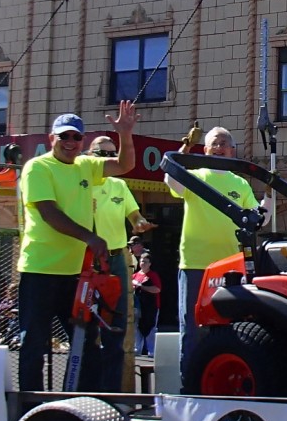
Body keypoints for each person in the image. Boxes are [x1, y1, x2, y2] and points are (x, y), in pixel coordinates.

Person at [17, 101, 138, 392]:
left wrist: (125, 133)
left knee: (85, 342)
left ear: (82, 141)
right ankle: (30, 406)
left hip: (76, 275)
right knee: (34, 342)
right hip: (40, 271)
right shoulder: (37, 167)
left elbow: (125, 165)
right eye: (64, 136)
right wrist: (90, 237)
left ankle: (80, 402)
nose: (70, 142)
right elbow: (49, 213)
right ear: (52, 138)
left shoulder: (86, 165)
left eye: (76, 137)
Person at [166, 125, 270, 383]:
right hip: (196, 263)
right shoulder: (195, 176)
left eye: (224, 143)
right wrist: (185, 148)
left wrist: (269, 196)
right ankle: (190, 385)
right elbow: (172, 179)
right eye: (215, 143)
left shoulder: (240, 183)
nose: (220, 147)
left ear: (233, 150)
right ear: (205, 149)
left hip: (230, 268)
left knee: (230, 327)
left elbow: (258, 220)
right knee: (193, 328)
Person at [87, 135, 156, 391]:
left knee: (115, 329)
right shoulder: (81, 183)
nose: (107, 159)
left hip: (116, 259)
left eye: (111, 154)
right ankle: (86, 392)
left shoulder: (119, 185)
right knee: (86, 329)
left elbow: (134, 215)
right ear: (89, 156)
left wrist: (140, 223)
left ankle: (113, 394)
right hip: (87, 259)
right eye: (101, 153)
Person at [133, 253, 162, 357]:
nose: (143, 263)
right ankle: (137, 349)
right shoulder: (135, 276)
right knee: (137, 327)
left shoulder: (153, 275)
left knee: (151, 327)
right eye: (141, 261)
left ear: (150, 264)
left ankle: (152, 351)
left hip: (151, 307)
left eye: (145, 262)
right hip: (138, 307)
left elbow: (157, 289)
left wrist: (142, 287)